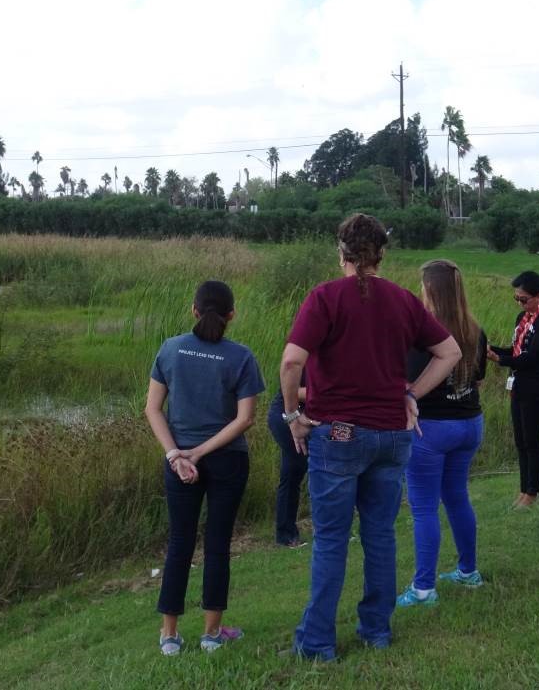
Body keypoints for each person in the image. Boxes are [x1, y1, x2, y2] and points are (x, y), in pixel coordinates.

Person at [281, 213, 461, 661]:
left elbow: (290, 364)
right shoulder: (402, 300)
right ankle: (375, 631)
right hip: (391, 436)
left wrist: (292, 417)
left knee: (331, 539)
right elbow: (450, 352)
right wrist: (410, 393)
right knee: (380, 535)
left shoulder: (325, 297)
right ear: (382, 254)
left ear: (341, 252)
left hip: (337, 434)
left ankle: (318, 643)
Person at [144, 280, 265, 655]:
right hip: (227, 460)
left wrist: (177, 455)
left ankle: (169, 635)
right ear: (232, 315)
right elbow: (245, 420)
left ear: (193, 310)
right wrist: (199, 453)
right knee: (217, 544)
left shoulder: (170, 349)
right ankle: (212, 634)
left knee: (179, 543)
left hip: (179, 460)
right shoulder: (241, 356)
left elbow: (152, 409)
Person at [397, 260, 489, 608]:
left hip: (430, 427)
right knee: (457, 496)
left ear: (431, 290)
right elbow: (478, 376)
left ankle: (423, 588)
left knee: (423, 508)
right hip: (468, 421)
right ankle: (468, 571)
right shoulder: (474, 329)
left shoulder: (423, 333)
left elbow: (407, 380)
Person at [487, 271, 539, 509]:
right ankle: (523, 489)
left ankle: (533, 491)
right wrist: (492, 351)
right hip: (519, 385)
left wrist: (500, 361)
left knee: (532, 440)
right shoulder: (523, 318)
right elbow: (515, 351)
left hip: (537, 386)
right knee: (520, 441)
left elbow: (533, 357)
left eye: (524, 299)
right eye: (516, 299)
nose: (520, 304)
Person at [266, 373, 308, 547]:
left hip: (309, 415)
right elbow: (291, 391)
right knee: (297, 467)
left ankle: (286, 534)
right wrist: (329, 392)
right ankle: (286, 534)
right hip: (286, 415)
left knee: (293, 470)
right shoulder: (306, 355)